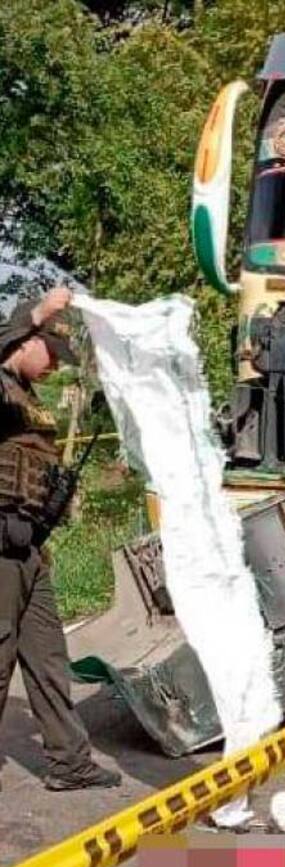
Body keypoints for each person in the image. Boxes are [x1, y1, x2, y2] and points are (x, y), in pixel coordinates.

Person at [0, 286, 121, 791]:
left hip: (29, 549)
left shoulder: (29, 400)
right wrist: (36, 312)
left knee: (49, 659)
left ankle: (69, 762)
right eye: (51, 351)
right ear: (26, 340)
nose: (55, 366)